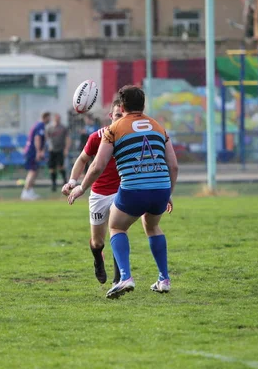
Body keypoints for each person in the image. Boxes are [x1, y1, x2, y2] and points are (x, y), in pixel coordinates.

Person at [68, 86, 179, 299]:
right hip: (161, 188)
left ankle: (125, 277)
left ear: (122, 106)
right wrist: (168, 193)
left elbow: (97, 165)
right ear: (143, 105)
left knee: (117, 226)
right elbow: (173, 166)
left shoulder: (114, 129)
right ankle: (164, 279)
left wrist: (82, 187)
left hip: (133, 189)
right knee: (153, 226)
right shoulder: (158, 127)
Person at [62, 100, 124, 285]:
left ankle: (118, 278)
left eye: (124, 115)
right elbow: (82, 160)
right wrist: (73, 181)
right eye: (118, 115)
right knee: (98, 242)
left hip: (121, 192)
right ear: (110, 116)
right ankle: (98, 259)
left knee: (117, 231)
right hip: (98, 194)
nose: (121, 119)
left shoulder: (130, 137)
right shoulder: (97, 137)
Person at [21, 111, 50, 201]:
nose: (50, 120)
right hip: (32, 152)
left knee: (35, 171)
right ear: (45, 117)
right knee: (32, 171)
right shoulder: (40, 125)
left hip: (31, 151)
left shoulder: (38, 125)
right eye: (49, 118)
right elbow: (37, 138)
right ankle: (26, 192)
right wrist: (38, 151)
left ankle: (30, 190)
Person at [46, 114, 71, 192]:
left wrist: (66, 149)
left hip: (60, 150)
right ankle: (54, 184)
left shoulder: (63, 128)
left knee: (61, 166)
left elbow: (67, 138)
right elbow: (47, 138)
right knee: (52, 168)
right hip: (52, 150)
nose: (58, 119)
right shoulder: (49, 128)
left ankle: (64, 182)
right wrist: (48, 146)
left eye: (59, 118)